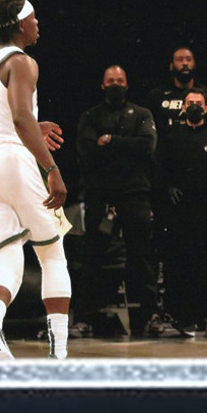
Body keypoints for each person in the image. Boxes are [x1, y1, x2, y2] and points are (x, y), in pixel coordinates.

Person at [0, 0, 73, 362]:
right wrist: (52, 169)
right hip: (12, 163)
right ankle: (59, 352)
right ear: (20, 24)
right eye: (33, 18)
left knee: (7, 263)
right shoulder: (21, 61)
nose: (38, 24)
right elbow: (21, 118)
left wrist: (34, 127)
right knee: (52, 255)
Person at [75, 64, 169, 337]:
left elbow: (147, 145)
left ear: (127, 85)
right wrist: (127, 145)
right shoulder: (90, 116)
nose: (115, 84)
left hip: (135, 194)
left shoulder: (142, 113)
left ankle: (149, 317)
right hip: (101, 195)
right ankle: (83, 320)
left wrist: (110, 141)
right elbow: (86, 151)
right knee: (92, 257)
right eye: (110, 81)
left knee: (142, 257)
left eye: (120, 80)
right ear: (102, 85)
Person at [158, 86, 207, 338]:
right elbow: (161, 169)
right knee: (185, 264)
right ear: (183, 108)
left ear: (206, 108)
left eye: (199, 104)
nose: (194, 107)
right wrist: (168, 188)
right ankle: (186, 318)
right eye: (190, 103)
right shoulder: (172, 137)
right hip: (184, 211)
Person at [153, 45, 207, 141]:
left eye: (189, 59)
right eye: (180, 60)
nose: (185, 63)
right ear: (171, 66)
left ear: (194, 64)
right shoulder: (157, 96)